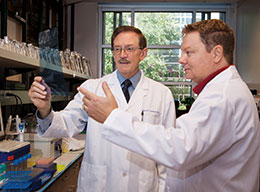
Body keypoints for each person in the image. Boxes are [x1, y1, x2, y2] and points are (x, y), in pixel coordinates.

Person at [79, 19, 260, 192]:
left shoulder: (223, 96)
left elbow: (179, 149)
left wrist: (113, 117)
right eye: (117, 49)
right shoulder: (221, 90)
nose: (181, 60)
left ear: (216, 54)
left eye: (189, 52)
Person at [28, 26, 176, 192]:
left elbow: (167, 153)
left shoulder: (162, 94)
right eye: (117, 49)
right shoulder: (92, 87)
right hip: (100, 185)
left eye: (129, 49)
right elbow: (65, 124)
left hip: (143, 185)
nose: (122, 55)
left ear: (143, 53)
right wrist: (45, 109)